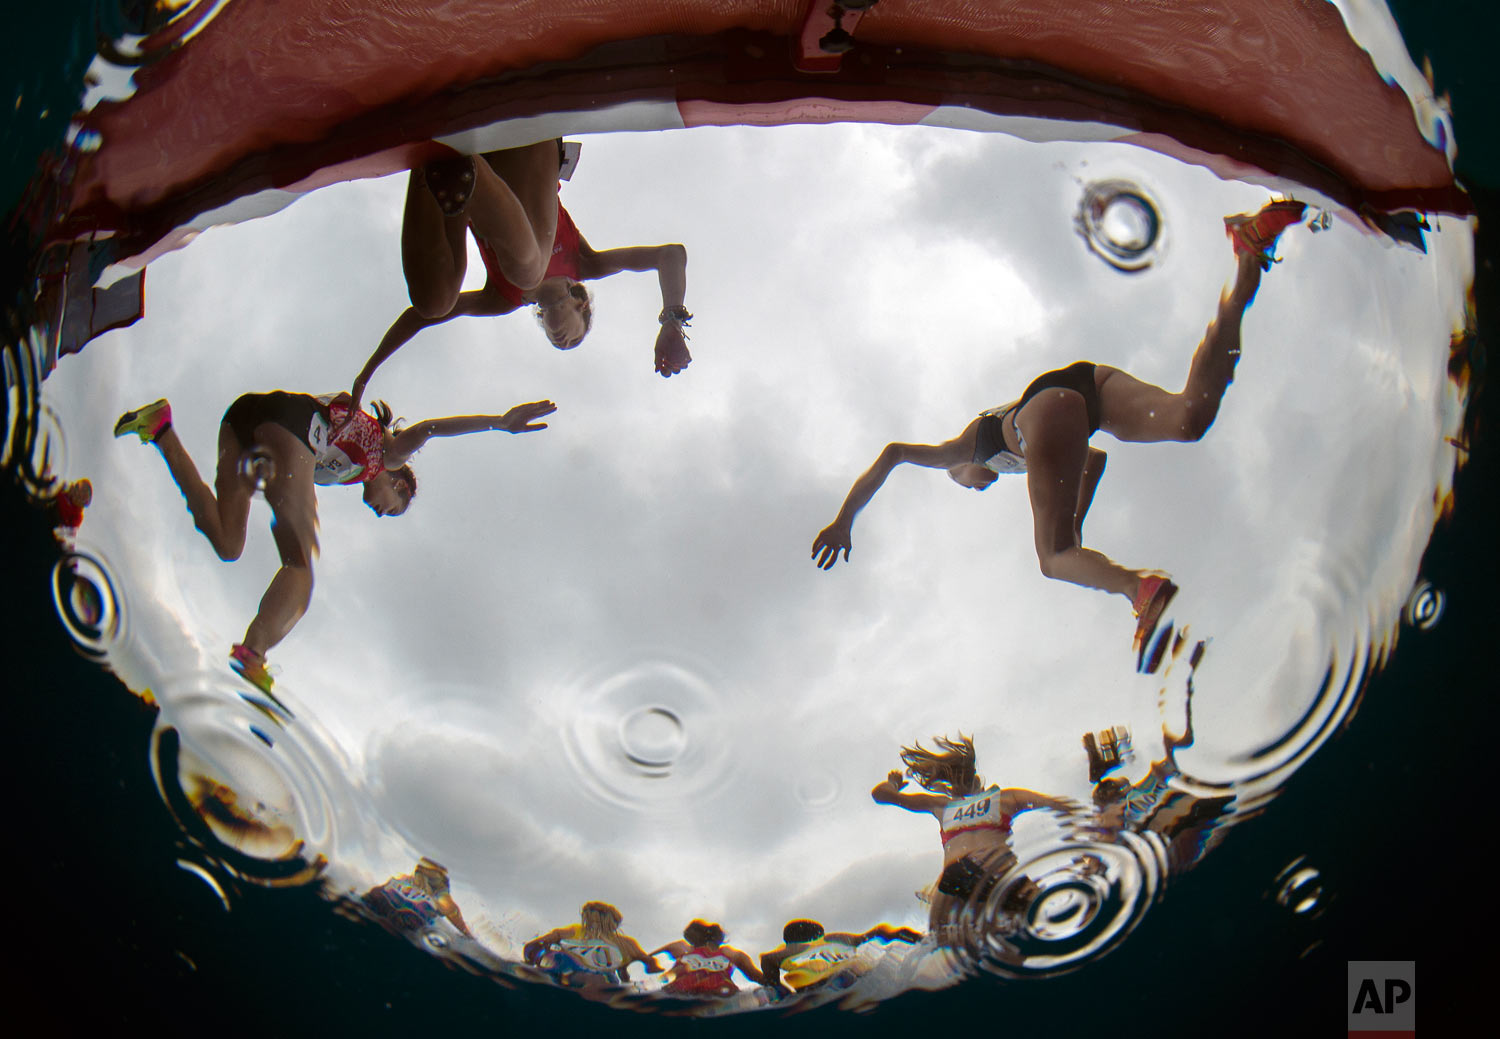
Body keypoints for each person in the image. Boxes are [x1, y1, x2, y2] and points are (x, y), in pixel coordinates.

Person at [812, 200, 1306, 650]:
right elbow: (1093, 461)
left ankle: (1140, 589)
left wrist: (844, 519)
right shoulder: (1018, 460)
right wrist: (1075, 526)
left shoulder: (967, 447)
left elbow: (896, 452)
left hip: (1042, 412)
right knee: (1187, 419)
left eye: (971, 486)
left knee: (1051, 561)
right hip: (1085, 391)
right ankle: (1245, 262)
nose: (979, 486)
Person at [113, 392, 555, 694]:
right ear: (399, 485)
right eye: (391, 507)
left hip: (244, 421)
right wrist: (498, 423)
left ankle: (161, 428)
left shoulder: (345, 469)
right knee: (299, 567)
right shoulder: (389, 455)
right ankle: (253, 656)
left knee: (229, 542)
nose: (380, 512)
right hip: (289, 426)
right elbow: (431, 429)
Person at [348, 138, 693, 415]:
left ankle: (433, 159)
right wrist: (671, 321)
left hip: (470, 157)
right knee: (528, 272)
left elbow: (416, 320)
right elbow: (671, 255)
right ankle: (461, 165)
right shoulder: (584, 263)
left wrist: (366, 374)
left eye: (559, 343)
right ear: (580, 301)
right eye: (573, 339)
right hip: (528, 144)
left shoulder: (501, 298)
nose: (562, 342)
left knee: (433, 303)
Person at [871, 734, 1073, 932]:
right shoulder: (1005, 798)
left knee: (947, 939)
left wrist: (894, 783)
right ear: (978, 782)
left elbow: (880, 794)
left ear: (951, 787)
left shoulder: (942, 805)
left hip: (958, 876)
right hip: (999, 875)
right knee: (1047, 922)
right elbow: (1056, 804)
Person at [759, 919, 921, 995]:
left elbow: (767, 959)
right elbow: (878, 932)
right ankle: (923, 939)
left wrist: (776, 988)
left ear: (789, 941)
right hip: (862, 973)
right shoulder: (838, 938)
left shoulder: (792, 949)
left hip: (824, 984)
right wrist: (902, 935)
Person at [523, 901, 662, 987]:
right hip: (601, 983)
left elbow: (533, 945)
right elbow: (649, 963)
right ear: (616, 923)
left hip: (569, 976)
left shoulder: (573, 931)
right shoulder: (626, 943)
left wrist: (532, 958)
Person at [362, 857, 474, 938]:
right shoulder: (404, 879)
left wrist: (468, 936)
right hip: (380, 911)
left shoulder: (440, 898)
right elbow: (377, 892)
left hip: (401, 926)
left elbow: (453, 914)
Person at [652, 920, 766, 997]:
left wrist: (651, 970)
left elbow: (665, 973)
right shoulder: (726, 952)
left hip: (682, 994)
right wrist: (770, 983)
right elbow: (753, 973)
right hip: (719, 993)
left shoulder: (685, 951)